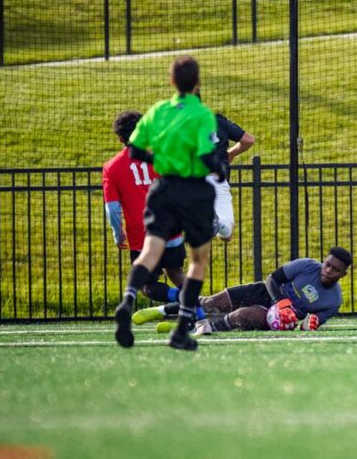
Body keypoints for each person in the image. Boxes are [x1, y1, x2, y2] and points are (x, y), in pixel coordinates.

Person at [114, 55, 222, 351]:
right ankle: (181, 330)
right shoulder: (201, 114)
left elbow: (135, 150)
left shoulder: (158, 111)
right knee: (197, 261)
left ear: (171, 81)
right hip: (193, 190)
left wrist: (157, 159)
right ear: (197, 82)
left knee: (150, 250)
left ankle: (128, 298)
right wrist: (219, 166)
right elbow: (205, 155)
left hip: (162, 189)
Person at [133, 246, 353, 334]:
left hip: (276, 317)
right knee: (210, 303)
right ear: (324, 261)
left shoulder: (333, 302)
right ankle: (162, 310)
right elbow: (272, 279)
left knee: (239, 316)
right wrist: (280, 301)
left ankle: (190, 329)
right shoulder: (307, 265)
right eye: (328, 264)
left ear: (343, 275)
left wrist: (306, 323)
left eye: (335, 270)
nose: (328, 271)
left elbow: (311, 324)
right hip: (265, 292)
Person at [102, 111, 187, 304]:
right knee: (175, 271)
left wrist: (118, 234)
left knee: (146, 283)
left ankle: (183, 299)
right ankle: (199, 312)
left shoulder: (112, 167)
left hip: (142, 234)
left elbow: (112, 208)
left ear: (121, 138)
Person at [204, 111, 255, 243]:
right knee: (226, 235)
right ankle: (219, 223)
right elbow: (248, 140)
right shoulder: (217, 120)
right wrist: (231, 153)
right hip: (217, 180)